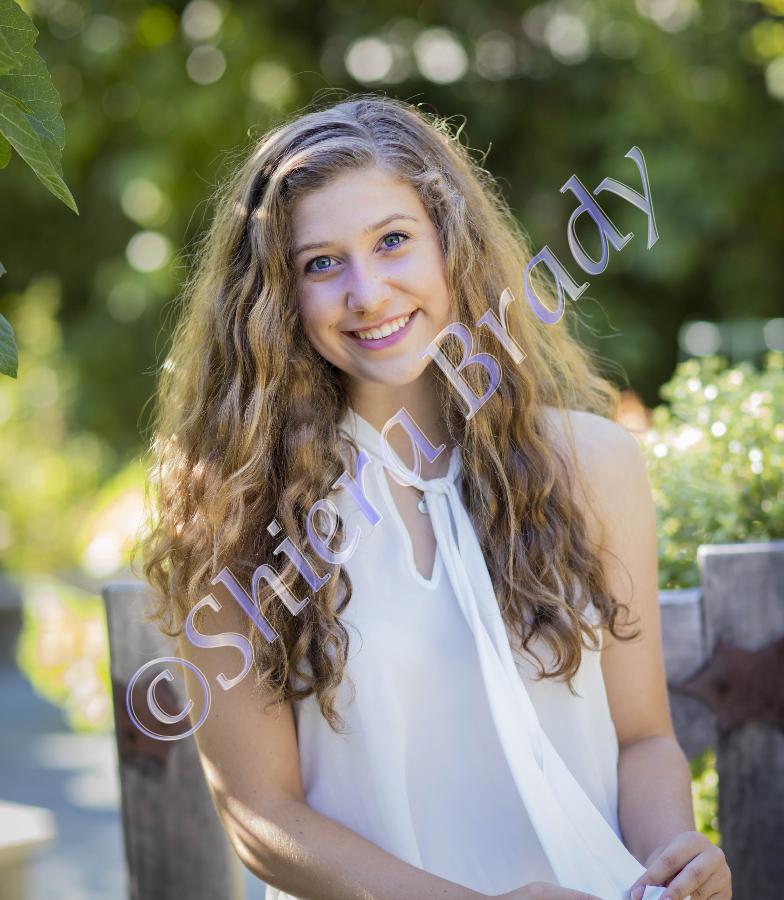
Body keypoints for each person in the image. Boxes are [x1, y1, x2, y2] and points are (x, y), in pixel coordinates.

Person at [131, 93, 731, 900]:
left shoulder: (592, 464)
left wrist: (672, 862)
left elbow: (642, 740)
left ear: (451, 243)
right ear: (273, 297)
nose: (368, 292)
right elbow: (260, 815)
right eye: (320, 263)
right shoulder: (236, 515)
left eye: (392, 241)